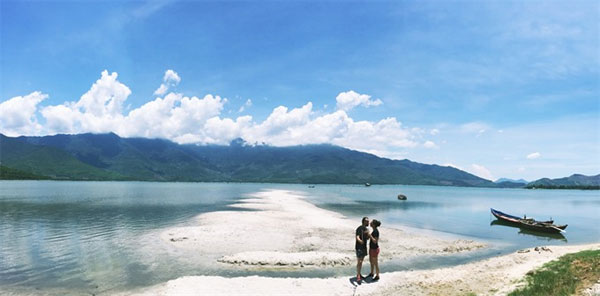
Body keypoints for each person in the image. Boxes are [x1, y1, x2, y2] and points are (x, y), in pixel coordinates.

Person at [355, 216, 369, 283]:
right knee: (359, 262)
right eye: (367, 221)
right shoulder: (359, 228)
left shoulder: (366, 229)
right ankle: (358, 276)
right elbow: (357, 237)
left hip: (364, 247)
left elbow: (368, 238)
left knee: (360, 262)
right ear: (363, 221)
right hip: (359, 247)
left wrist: (368, 234)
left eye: (368, 221)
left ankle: (359, 274)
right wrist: (360, 241)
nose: (368, 222)